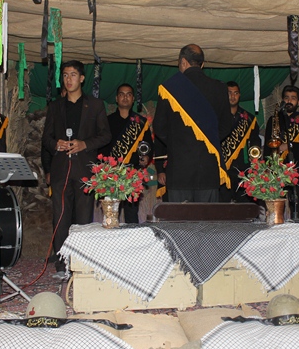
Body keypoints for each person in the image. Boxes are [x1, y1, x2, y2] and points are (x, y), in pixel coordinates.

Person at [41, 60, 111, 278]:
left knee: (83, 218)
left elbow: (105, 135)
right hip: (61, 169)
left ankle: (81, 262)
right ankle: (62, 263)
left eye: (72, 74)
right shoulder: (55, 106)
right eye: (65, 75)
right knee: (60, 217)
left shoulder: (96, 105)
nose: (68, 79)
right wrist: (56, 144)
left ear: (81, 78)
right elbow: (46, 138)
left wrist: (84, 144)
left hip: (84, 170)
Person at [153, 44, 232, 203]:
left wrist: (177, 144)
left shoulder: (169, 88)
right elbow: (226, 125)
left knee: (180, 217)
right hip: (208, 169)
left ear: (183, 62)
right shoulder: (219, 87)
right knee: (207, 217)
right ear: (202, 64)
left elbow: (159, 127)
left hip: (179, 170)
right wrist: (208, 141)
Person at [100, 83, 152, 223]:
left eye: (128, 94)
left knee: (131, 214)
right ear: (116, 98)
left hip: (132, 174)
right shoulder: (107, 121)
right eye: (121, 94)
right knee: (111, 214)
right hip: (111, 174)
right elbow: (102, 147)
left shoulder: (140, 123)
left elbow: (148, 145)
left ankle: (132, 236)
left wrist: (146, 157)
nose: (125, 97)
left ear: (133, 99)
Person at [263, 85, 299, 221]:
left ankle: (298, 228)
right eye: (287, 98)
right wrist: (266, 167)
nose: (289, 101)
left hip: (296, 167)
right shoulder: (273, 120)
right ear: (282, 100)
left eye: (293, 98)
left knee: (297, 204)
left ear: (298, 102)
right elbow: (267, 146)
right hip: (276, 169)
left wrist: (289, 146)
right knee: (276, 205)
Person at [219, 81, 261, 203]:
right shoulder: (217, 116)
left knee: (244, 207)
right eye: (229, 93)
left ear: (239, 95)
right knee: (223, 207)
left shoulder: (249, 119)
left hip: (242, 169)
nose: (232, 96)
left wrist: (255, 158)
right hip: (222, 169)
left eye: (235, 93)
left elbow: (255, 141)